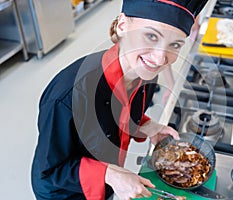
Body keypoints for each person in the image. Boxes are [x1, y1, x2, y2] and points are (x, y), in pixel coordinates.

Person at [31, 0, 209, 199]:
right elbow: (50, 170)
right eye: (151, 36)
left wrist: (147, 126)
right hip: (65, 193)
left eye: (174, 45)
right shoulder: (66, 97)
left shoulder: (146, 74)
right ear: (122, 26)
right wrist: (111, 174)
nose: (160, 59)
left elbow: (118, 117)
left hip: (107, 182)